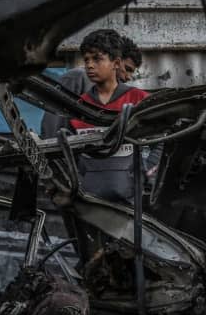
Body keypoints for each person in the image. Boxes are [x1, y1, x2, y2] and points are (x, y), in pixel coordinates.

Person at [69, 29, 149, 203]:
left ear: (116, 63)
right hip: (88, 201)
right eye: (87, 60)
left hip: (131, 203)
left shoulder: (139, 99)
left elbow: (160, 140)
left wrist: (147, 171)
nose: (89, 65)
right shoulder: (77, 106)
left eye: (97, 59)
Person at [40, 31, 142, 138]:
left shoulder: (123, 95)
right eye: (127, 69)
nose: (129, 77)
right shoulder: (77, 78)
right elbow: (54, 122)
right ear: (117, 61)